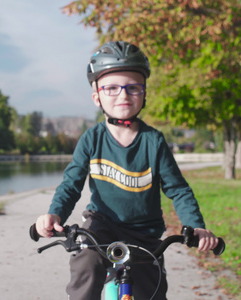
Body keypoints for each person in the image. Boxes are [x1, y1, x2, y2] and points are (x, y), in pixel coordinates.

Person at [35, 41, 218, 300]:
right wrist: (55, 215)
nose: (123, 95)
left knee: (151, 291)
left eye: (133, 87)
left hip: (145, 233)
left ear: (144, 93)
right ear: (97, 96)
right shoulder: (92, 138)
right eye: (111, 88)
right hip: (101, 227)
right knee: (85, 263)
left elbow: (178, 190)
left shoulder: (153, 141)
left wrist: (195, 227)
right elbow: (71, 184)